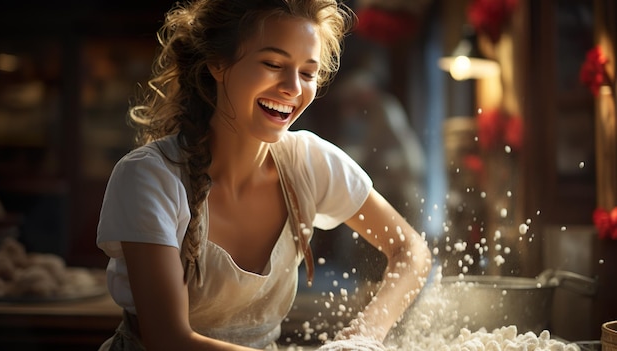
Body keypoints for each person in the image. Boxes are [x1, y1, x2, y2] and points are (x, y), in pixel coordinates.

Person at [96, 0, 432, 350]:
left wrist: (365, 334)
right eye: (273, 64)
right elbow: (169, 339)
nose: (293, 88)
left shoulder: (310, 163)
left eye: (307, 73)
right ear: (218, 63)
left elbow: (411, 250)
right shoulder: (151, 177)